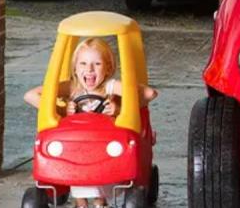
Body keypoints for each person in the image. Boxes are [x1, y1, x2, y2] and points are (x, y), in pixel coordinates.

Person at [24, 37, 158, 208]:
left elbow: (150, 93)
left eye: (97, 64)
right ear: (75, 67)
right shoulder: (72, 87)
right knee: (76, 162)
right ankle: (80, 204)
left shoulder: (109, 87)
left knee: (102, 168)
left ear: (108, 67)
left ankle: (99, 203)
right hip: (76, 147)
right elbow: (30, 95)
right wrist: (61, 112)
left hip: (104, 147)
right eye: (83, 64)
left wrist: (121, 109)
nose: (89, 70)